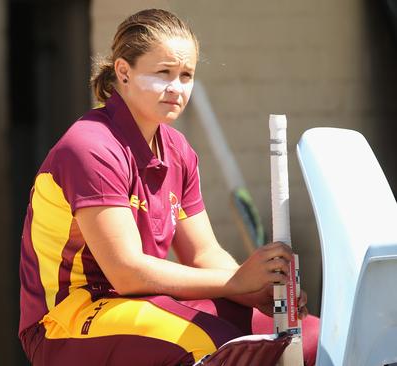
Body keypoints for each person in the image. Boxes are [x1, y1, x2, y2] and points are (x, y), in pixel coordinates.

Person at [18, 8, 319, 366]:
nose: (177, 88)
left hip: (141, 304)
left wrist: (255, 288)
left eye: (186, 75)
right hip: (66, 321)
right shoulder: (90, 146)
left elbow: (204, 254)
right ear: (123, 73)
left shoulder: (178, 150)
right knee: (223, 345)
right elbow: (127, 273)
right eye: (164, 73)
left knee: (309, 336)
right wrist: (235, 283)